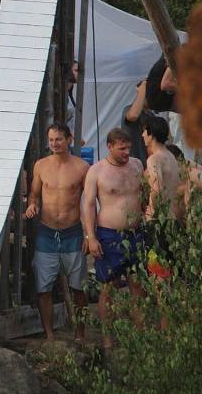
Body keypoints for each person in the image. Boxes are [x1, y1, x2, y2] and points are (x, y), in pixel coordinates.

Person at [24, 124, 90, 341]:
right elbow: (34, 194)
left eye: (59, 139)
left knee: (78, 287)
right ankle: (50, 336)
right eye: (51, 140)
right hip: (47, 231)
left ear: (69, 140)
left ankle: (80, 334)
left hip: (73, 232)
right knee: (44, 287)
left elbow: (89, 202)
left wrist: (90, 234)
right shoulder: (41, 165)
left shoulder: (82, 167)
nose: (54, 144)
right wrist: (32, 205)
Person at [83, 128, 146, 348]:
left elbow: (146, 197)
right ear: (110, 146)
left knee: (138, 287)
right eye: (122, 148)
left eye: (128, 147)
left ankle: (141, 336)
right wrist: (91, 237)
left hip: (136, 233)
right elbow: (89, 205)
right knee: (108, 289)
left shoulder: (137, 165)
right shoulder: (97, 171)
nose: (126, 152)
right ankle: (108, 340)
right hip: (109, 235)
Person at [141, 118, 183, 283]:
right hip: (173, 220)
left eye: (145, 131)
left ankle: (162, 308)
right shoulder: (171, 156)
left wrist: (151, 213)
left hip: (159, 222)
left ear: (151, 134)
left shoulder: (154, 159)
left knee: (158, 274)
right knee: (169, 272)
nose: (142, 135)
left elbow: (156, 189)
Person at [122, 79, 159, 166]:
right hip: (132, 165)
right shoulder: (128, 109)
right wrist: (142, 88)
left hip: (147, 165)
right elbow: (133, 116)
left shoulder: (151, 115)